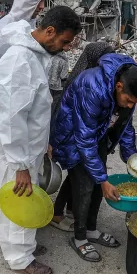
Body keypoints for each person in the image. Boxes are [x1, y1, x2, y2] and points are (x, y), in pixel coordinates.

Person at [0, 6, 81, 274]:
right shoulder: (20, 61)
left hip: (26, 149)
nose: (63, 48)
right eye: (63, 41)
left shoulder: (34, 55)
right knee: (19, 199)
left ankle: (22, 245)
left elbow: (34, 109)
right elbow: (12, 119)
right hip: (14, 151)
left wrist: (43, 142)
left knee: (18, 199)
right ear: (49, 31)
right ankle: (19, 258)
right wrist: (20, 165)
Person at [51, 55, 137, 262]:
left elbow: (125, 126)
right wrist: (103, 180)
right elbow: (84, 140)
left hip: (97, 134)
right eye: (128, 100)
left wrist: (131, 159)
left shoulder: (128, 89)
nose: (129, 105)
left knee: (98, 183)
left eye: (135, 103)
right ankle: (79, 239)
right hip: (74, 137)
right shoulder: (92, 87)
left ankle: (90, 230)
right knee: (85, 186)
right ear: (118, 86)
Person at [50, 41, 114, 231]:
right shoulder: (82, 79)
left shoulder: (98, 79)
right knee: (75, 175)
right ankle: (57, 213)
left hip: (82, 136)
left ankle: (70, 209)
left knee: (76, 176)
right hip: (71, 136)